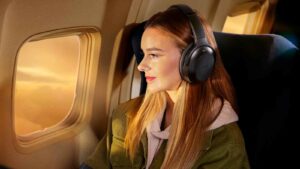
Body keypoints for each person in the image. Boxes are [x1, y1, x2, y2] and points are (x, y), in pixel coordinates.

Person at [81, 4, 250, 169]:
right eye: (143, 54)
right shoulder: (126, 114)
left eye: (154, 55)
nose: (141, 66)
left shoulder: (223, 143)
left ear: (195, 60)